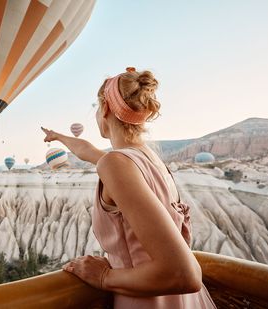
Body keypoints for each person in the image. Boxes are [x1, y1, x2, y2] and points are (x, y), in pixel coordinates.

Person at [41, 68, 216, 308]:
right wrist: (58, 137)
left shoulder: (116, 164)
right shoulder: (148, 159)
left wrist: (104, 277)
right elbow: (88, 151)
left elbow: (184, 274)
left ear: (105, 109)